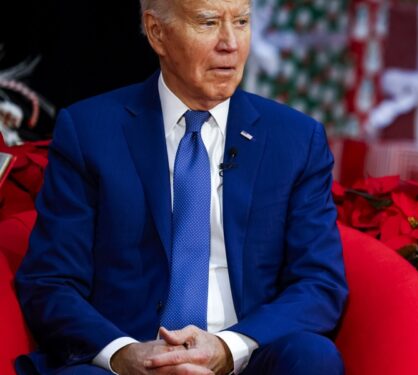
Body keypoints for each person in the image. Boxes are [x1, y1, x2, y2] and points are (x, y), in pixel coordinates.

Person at [14, 0, 348, 374]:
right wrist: (125, 355)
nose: (230, 43)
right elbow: (50, 281)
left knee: (312, 357)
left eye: (241, 22)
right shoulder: (90, 131)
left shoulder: (296, 140)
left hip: (247, 357)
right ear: (157, 32)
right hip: (126, 359)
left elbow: (319, 283)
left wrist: (226, 347)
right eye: (208, 23)